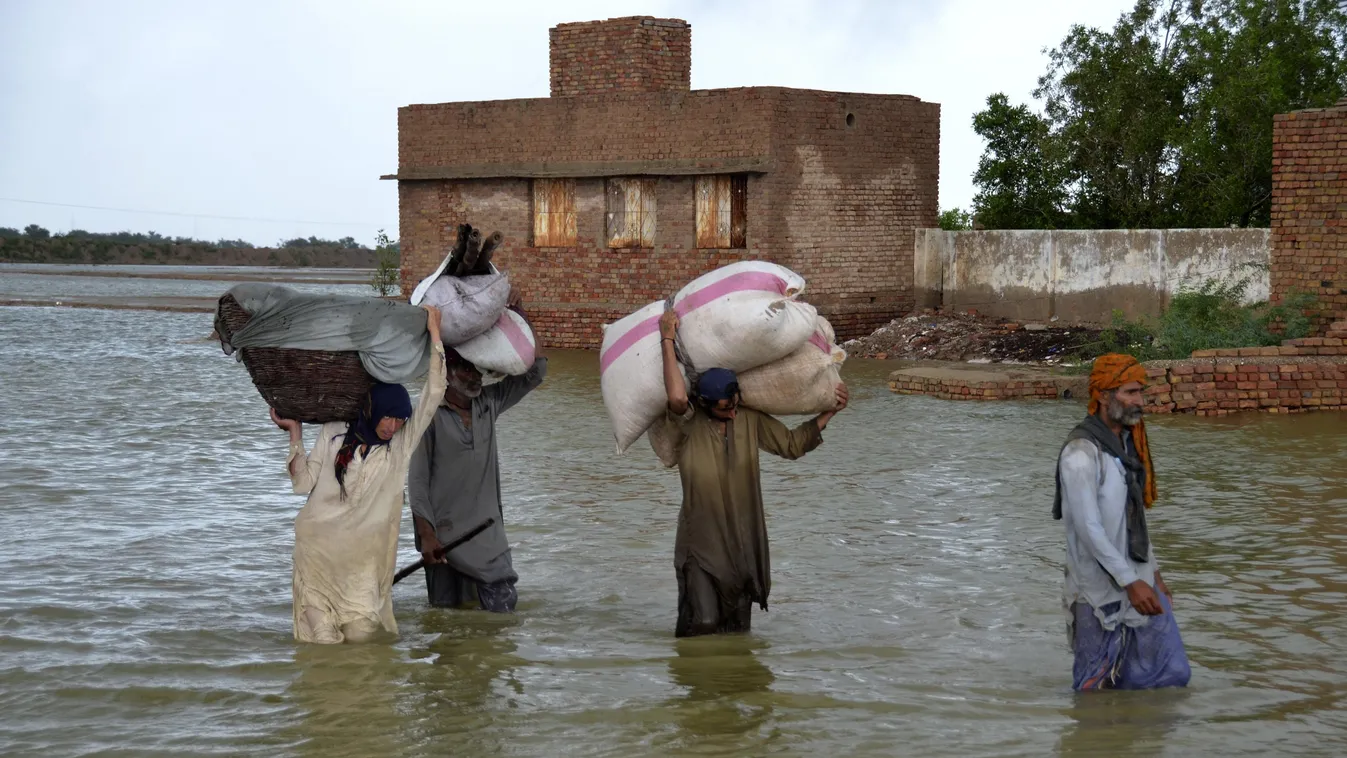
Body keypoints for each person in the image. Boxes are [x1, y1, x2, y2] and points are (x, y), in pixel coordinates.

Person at [657, 310, 847, 637]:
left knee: (736, 632)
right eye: (724, 407)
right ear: (704, 403)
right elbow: (676, 396)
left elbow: (791, 444)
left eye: (735, 403)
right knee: (701, 625)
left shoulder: (747, 418)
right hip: (700, 545)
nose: (732, 412)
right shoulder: (687, 424)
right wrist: (667, 338)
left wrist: (828, 411)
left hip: (743, 545)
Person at [272, 304, 447, 644]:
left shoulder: (399, 448)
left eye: (400, 420)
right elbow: (301, 484)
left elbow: (434, 394)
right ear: (371, 410)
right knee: (322, 641)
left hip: (363, 569)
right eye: (388, 417)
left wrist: (434, 332)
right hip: (318, 557)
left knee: (361, 641)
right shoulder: (335, 433)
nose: (393, 426)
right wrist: (295, 434)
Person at [1054, 353, 1191, 690]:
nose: (1139, 402)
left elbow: (1134, 521)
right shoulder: (1080, 453)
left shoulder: (1128, 447)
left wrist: (1154, 575)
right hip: (1097, 587)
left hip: (1139, 578)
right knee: (1095, 685)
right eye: (1130, 392)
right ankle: (1096, 740)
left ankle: (1136, 740)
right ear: (1102, 395)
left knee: (1170, 675)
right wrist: (1131, 582)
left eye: (1140, 392)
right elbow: (1089, 530)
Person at [408, 289, 547, 613]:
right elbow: (416, 484)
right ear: (447, 374)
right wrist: (427, 537)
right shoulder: (429, 415)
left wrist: (521, 317)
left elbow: (536, 371)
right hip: (443, 541)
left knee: (501, 617)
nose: (475, 377)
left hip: (488, 536)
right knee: (447, 627)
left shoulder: (488, 403)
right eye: (467, 370)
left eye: (477, 369)